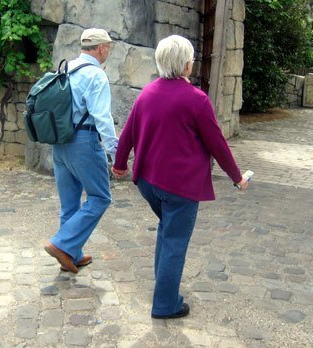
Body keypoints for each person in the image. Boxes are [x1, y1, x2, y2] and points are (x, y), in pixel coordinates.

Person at [111, 35, 249, 319]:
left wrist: (120, 164)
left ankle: (163, 289)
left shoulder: (146, 93)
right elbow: (217, 144)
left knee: (167, 231)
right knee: (175, 240)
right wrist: (237, 177)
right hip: (181, 186)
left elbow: (127, 133)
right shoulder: (197, 100)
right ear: (186, 65)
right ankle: (165, 304)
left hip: (149, 182)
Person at [44, 28, 118, 274]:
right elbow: (102, 118)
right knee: (100, 197)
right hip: (84, 142)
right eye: (107, 47)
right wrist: (114, 152)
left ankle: (71, 255)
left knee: (69, 204)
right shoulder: (96, 75)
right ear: (101, 48)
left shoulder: (65, 69)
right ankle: (61, 244)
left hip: (60, 143)